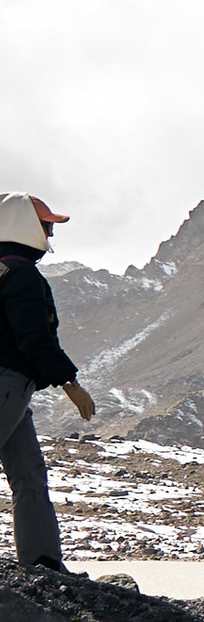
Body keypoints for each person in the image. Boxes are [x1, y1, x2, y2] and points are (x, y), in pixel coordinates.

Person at [0, 192, 97, 571]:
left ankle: (43, 564)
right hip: (7, 383)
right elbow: (35, 339)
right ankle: (42, 563)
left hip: (14, 387)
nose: (50, 234)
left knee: (29, 474)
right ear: (24, 225)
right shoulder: (21, 274)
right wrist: (70, 384)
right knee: (28, 478)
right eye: (45, 225)